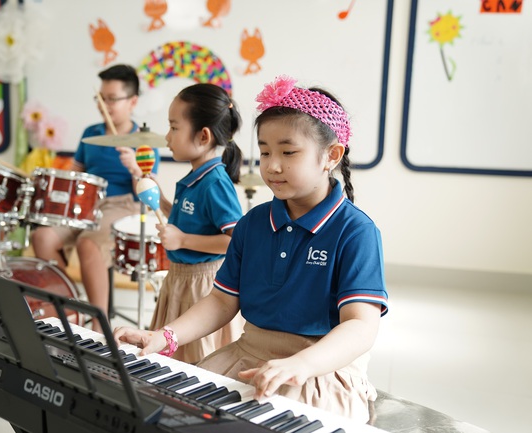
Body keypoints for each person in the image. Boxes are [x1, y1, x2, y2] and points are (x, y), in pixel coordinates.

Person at [114, 75, 389, 422]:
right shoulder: (253, 223)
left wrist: (302, 364)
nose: (272, 165)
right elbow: (222, 301)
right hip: (245, 357)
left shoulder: (356, 232)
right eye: (264, 151)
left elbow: (361, 327)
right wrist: (167, 336)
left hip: (317, 371)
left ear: (331, 156)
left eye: (288, 152)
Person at [31, 64, 160, 323]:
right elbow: (75, 172)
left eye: (112, 99)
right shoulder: (90, 133)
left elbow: (150, 191)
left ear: (132, 101)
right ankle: (67, 308)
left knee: (87, 243)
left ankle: (100, 327)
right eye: (100, 98)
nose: (104, 104)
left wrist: (135, 167)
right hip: (85, 203)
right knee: (42, 238)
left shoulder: (144, 140)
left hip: (122, 205)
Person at [144, 83, 246, 364]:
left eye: (174, 128)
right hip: (180, 279)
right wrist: (161, 201)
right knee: (169, 359)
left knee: (194, 363)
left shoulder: (214, 183)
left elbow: (234, 241)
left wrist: (183, 241)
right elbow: (188, 221)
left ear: (203, 136)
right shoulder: (196, 176)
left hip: (200, 284)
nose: (167, 137)